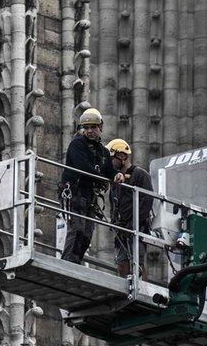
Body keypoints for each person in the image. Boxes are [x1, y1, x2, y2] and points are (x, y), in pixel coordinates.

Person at [60, 108, 124, 264]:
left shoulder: (102, 151)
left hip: (89, 198)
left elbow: (109, 169)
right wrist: (103, 178)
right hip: (74, 194)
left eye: (93, 127)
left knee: (87, 233)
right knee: (77, 229)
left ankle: (75, 262)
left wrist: (116, 175)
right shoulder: (77, 144)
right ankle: (68, 263)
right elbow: (84, 168)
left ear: (100, 127)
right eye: (86, 128)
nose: (89, 131)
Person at [106, 139, 154, 278]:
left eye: (112, 158)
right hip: (121, 228)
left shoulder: (140, 174)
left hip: (136, 227)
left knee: (137, 263)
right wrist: (114, 223)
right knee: (121, 263)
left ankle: (141, 289)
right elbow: (113, 203)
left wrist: (135, 222)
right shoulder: (116, 179)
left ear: (121, 156)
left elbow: (147, 200)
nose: (110, 163)